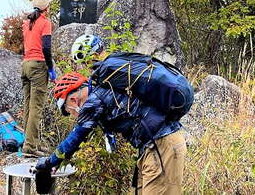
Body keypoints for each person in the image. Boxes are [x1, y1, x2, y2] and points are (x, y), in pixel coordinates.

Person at [36, 72, 187, 195]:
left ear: (74, 100)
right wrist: (58, 161)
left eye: (69, 111)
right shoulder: (102, 92)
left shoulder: (93, 101)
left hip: (162, 146)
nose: (73, 115)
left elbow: (76, 136)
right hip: (154, 147)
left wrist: (49, 162)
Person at [21, 0, 57, 157]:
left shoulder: (26, 23)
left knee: (28, 106)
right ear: (46, 9)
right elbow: (47, 48)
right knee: (36, 107)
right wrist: (50, 68)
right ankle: (30, 147)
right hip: (38, 66)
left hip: (25, 65)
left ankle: (31, 143)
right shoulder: (45, 23)